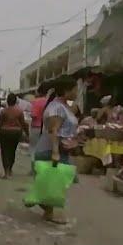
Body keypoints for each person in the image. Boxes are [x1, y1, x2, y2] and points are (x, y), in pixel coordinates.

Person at [33, 77, 79, 224]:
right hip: (50, 149)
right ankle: (46, 208)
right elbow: (54, 130)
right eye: (75, 89)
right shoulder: (56, 108)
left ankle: (45, 206)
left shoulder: (63, 106)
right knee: (55, 183)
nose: (77, 91)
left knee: (56, 183)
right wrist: (55, 152)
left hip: (59, 150)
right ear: (66, 91)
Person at [0, 93, 28, 178]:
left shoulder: (3, 111)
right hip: (16, 133)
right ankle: (10, 169)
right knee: (12, 151)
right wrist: (27, 134)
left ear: (7, 101)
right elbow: (23, 123)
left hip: (4, 133)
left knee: (5, 152)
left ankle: (6, 172)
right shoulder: (19, 111)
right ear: (15, 101)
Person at [29, 84, 49, 169]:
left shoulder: (36, 102)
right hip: (46, 128)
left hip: (36, 127)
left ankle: (34, 169)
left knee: (34, 148)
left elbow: (34, 115)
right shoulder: (49, 101)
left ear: (39, 91)